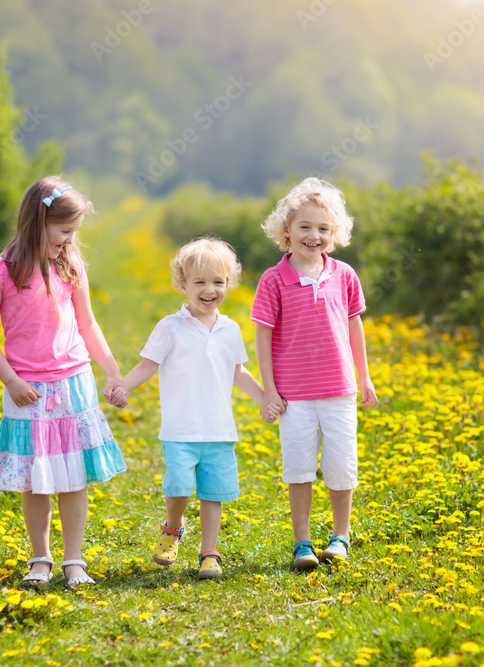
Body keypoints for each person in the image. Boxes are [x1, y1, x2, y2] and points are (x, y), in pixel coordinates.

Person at [0, 176, 128, 589]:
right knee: (36, 477)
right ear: (36, 223)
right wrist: (10, 381)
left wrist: (112, 370)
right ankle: (40, 557)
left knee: (74, 475)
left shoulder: (72, 266)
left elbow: (88, 324)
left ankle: (74, 560)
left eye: (74, 233)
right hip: (28, 391)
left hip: (74, 382)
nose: (69, 241)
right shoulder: (0, 272)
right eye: (64, 232)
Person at [109, 238, 281, 579]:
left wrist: (265, 398)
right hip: (179, 429)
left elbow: (238, 372)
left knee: (212, 492)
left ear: (228, 284)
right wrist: (122, 387)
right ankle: (173, 528)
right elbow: (148, 364)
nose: (209, 290)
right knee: (177, 486)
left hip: (218, 428)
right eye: (199, 282)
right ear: (182, 284)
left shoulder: (230, 329)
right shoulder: (170, 327)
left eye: (217, 282)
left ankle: (209, 553)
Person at [250, 177, 379, 572]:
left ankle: (341, 536)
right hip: (295, 397)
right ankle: (302, 542)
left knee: (342, 468)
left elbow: (354, 326)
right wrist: (269, 390)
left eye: (323, 228)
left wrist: (365, 377)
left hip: (339, 391)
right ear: (285, 231)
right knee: (299, 469)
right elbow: (262, 336)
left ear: (335, 234)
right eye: (304, 226)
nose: (314, 235)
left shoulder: (344, 275)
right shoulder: (274, 280)